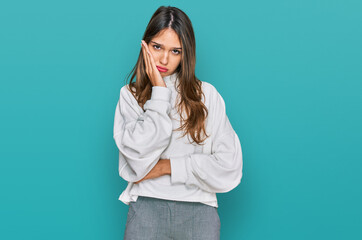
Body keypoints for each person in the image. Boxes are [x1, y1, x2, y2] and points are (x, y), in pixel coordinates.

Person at [113, 5, 243, 240]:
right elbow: (134, 161)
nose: (164, 59)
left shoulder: (207, 96)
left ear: (186, 54)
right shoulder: (130, 95)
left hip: (199, 211)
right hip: (146, 208)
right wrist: (160, 93)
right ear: (144, 45)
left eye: (175, 51)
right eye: (157, 47)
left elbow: (229, 167)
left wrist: (165, 167)